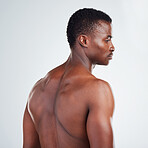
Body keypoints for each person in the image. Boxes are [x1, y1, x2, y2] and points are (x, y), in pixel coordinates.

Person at [23, 8, 115, 148]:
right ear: (84, 40)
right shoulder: (97, 89)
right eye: (107, 39)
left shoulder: (36, 90)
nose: (112, 47)